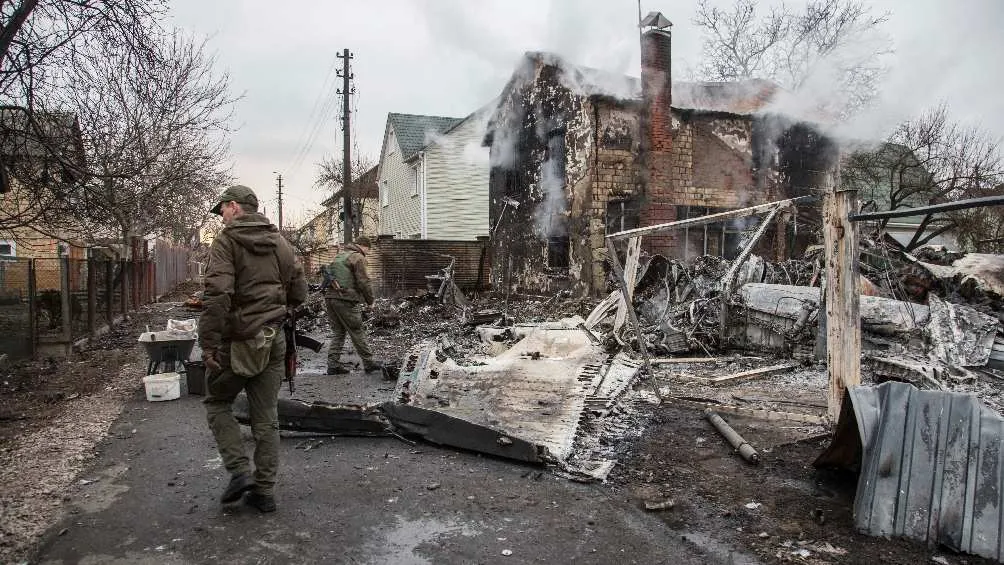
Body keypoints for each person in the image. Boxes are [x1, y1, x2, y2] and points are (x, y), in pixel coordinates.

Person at [198, 184, 307, 513]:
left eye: (222, 209)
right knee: (267, 416)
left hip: (238, 340)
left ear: (234, 206)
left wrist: (208, 343)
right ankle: (264, 492)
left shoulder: (226, 241)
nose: (221, 216)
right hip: (273, 338)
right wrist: (278, 308)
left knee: (217, 403)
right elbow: (299, 291)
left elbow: (218, 294)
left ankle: (239, 472)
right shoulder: (280, 242)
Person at [322, 235, 383, 375]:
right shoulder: (358, 257)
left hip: (330, 297)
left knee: (338, 332)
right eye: (368, 249)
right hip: (346, 299)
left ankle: (333, 365)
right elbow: (364, 282)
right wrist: (370, 301)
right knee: (357, 330)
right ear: (364, 246)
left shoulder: (340, 255)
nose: (368, 252)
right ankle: (369, 363)